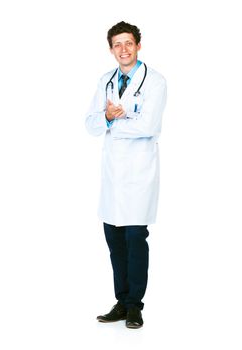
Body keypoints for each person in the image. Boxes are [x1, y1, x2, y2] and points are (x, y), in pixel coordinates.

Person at [85, 21, 167, 329]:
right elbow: (91, 125)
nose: (123, 49)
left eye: (128, 43)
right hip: (113, 175)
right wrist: (108, 116)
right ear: (111, 49)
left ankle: (135, 306)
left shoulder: (155, 81)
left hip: (139, 173)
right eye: (117, 44)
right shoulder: (105, 81)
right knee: (114, 239)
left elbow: (149, 127)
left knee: (135, 238)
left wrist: (115, 123)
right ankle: (120, 301)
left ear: (138, 46)